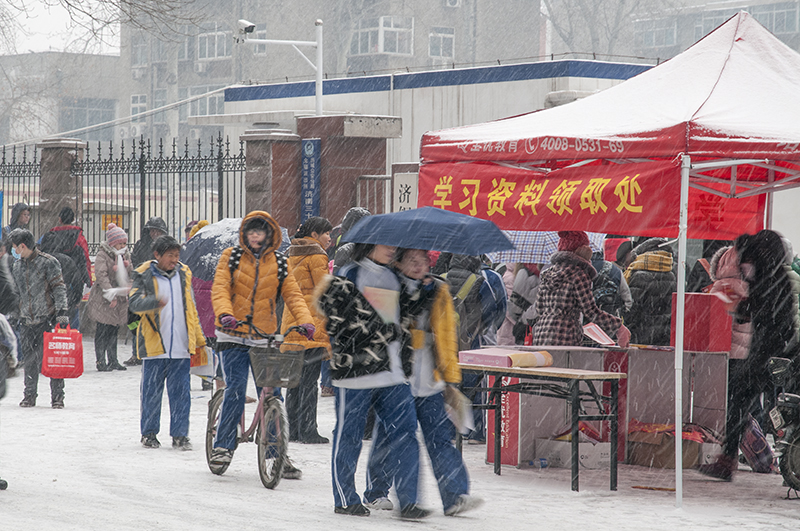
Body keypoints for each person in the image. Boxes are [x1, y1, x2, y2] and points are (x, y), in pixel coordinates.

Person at [363, 248, 483, 516]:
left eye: (424, 261)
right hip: (396, 374)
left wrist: (450, 376)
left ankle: (454, 496)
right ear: (398, 262)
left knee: (440, 438)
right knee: (393, 437)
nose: (419, 266)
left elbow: (447, 334)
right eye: (412, 261)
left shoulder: (438, 289)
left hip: (430, 376)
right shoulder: (386, 285)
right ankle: (381, 492)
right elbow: (383, 328)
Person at [317, 243, 430, 519]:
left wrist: (418, 288)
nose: (391, 249)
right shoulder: (348, 274)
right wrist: (379, 328)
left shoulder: (394, 277)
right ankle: (345, 498)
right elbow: (337, 322)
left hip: (392, 373)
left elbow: (405, 317)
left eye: (393, 245)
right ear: (368, 244)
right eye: (385, 244)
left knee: (405, 432)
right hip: (355, 373)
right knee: (350, 435)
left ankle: (409, 500)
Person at [208, 211, 315, 477]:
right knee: (235, 390)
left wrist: (306, 320)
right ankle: (222, 446)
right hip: (232, 335)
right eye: (251, 231)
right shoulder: (231, 257)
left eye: (261, 231)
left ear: (270, 235)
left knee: (272, 394)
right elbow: (220, 289)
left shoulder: (280, 262)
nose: (255, 236)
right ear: (245, 234)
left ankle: (276, 454)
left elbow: (293, 294)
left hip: (264, 337)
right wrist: (225, 313)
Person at [699, 230, 800, 481]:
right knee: (752, 404)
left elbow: (767, 316)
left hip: (771, 354)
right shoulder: (773, 277)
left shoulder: (771, 280)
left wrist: (737, 303)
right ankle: (733, 458)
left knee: (745, 402)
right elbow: (757, 312)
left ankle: (731, 459)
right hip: (771, 352)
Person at [128, 235, 206, 450]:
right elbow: (134, 303)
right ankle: (149, 433)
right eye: (170, 255)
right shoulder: (144, 273)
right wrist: (154, 302)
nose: (174, 260)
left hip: (181, 345)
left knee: (181, 393)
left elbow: (191, 307)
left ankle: (180, 435)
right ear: (157, 255)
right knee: (151, 393)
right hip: (155, 345)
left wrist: (199, 339)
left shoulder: (184, 274)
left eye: (177, 255)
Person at [282, 216, 333, 444]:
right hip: (312, 325)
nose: (329, 238)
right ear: (314, 235)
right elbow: (324, 290)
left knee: (294, 381)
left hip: (292, 323)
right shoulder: (317, 255)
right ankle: (308, 430)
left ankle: (292, 429)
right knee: (310, 380)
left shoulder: (291, 253)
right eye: (326, 233)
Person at [532, 231, 630, 347]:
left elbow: (539, 308)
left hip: (542, 334)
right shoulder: (579, 274)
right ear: (583, 250)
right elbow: (590, 311)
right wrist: (618, 326)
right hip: (565, 336)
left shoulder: (547, 274)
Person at [9, 229, 70, 408]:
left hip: (47, 319)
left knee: (53, 359)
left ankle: (57, 396)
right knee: (29, 360)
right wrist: (15, 314)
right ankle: (29, 395)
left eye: (15, 247)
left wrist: (62, 312)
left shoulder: (48, 262)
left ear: (22, 246)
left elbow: (59, 288)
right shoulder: (17, 266)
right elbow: (17, 293)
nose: (14, 251)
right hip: (26, 319)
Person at [86, 224, 132, 372]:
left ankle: (113, 360)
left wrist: (127, 269)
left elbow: (130, 272)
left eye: (124, 243)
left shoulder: (124, 255)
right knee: (102, 329)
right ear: (113, 243)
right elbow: (101, 275)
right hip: (103, 297)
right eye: (120, 243)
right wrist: (110, 292)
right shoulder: (103, 255)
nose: (123, 246)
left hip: (118, 297)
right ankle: (101, 361)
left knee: (114, 329)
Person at [38, 206, 92, 328]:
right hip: (72, 283)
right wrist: (86, 280)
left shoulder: (50, 237)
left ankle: (54, 333)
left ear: (60, 219)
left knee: (52, 319)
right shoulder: (78, 237)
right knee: (71, 316)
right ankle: (69, 334)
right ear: (73, 219)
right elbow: (85, 260)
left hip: (51, 284)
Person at [125, 217, 168, 366]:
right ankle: (136, 353)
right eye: (152, 230)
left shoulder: (166, 246)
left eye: (157, 231)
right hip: (142, 287)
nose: (154, 234)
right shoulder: (140, 245)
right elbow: (135, 262)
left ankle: (156, 352)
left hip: (157, 287)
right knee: (136, 322)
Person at [622, 237, 677, 346]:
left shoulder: (638, 276)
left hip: (641, 336)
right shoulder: (671, 275)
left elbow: (632, 310)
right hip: (665, 337)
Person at [507, 263, 541, 345]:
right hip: (541, 325)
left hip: (525, 325)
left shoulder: (523, 272)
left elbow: (515, 306)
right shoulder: (548, 275)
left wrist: (521, 319)